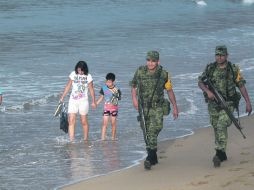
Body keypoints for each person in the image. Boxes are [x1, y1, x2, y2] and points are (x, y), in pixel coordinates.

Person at [198, 45, 252, 167]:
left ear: (227, 55)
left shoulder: (233, 69)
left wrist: (248, 102)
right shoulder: (210, 68)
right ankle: (222, 154)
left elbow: (241, 86)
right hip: (213, 105)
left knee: (222, 124)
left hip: (229, 104)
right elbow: (200, 82)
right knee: (216, 128)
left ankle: (218, 153)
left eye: (222, 55)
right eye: (217, 55)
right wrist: (208, 92)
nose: (219, 57)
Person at [130, 51, 179, 170]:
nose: (150, 63)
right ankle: (152, 157)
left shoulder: (164, 74)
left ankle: (150, 157)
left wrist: (175, 106)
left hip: (158, 106)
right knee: (146, 132)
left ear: (158, 61)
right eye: (148, 60)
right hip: (143, 107)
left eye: (153, 61)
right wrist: (134, 99)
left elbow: (169, 91)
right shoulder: (140, 71)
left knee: (155, 129)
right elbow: (134, 85)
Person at [60, 61, 96, 141]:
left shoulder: (88, 76)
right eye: (78, 70)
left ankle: (86, 139)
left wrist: (94, 101)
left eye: (81, 70)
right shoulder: (73, 74)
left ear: (85, 69)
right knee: (71, 120)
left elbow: (91, 89)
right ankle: (71, 140)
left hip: (83, 101)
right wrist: (62, 96)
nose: (79, 72)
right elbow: (68, 86)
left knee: (83, 121)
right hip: (73, 100)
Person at [96, 73, 121, 140]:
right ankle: (103, 138)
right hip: (106, 108)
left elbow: (118, 99)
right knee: (104, 123)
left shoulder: (117, 89)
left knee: (113, 123)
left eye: (109, 82)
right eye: (107, 81)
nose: (108, 83)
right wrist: (96, 103)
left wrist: (115, 98)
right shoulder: (104, 88)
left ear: (113, 81)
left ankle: (113, 138)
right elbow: (101, 97)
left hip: (114, 109)